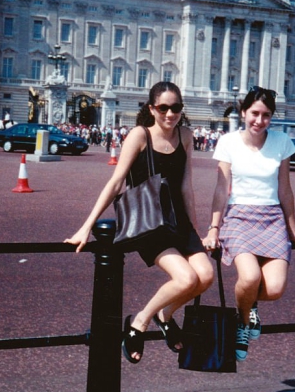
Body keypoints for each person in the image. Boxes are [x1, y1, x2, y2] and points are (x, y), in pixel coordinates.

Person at [64, 82, 213, 364]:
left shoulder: (185, 135)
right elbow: (116, 182)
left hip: (178, 220)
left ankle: (164, 315)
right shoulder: (139, 135)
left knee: (205, 276)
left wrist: (196, 229)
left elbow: (186, 186)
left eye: (176, 108)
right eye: (163, 108)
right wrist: (86, 226)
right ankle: (139, 324)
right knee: (187, 279)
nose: (170, 114)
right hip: (150, 222)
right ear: (151, 108)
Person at [203, 86, 295, 362]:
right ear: (243, 112)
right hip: (239, 216)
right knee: (250, 277)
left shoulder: (282, 142)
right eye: (254, 113)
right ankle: (242, 322)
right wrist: (214, 228)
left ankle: (249, 303)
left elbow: (285, 189)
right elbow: (221, 189)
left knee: (275, 289)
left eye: (266, 115)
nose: (259, 120)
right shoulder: (228, 142)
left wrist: (294, 233)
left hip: (272, 218)